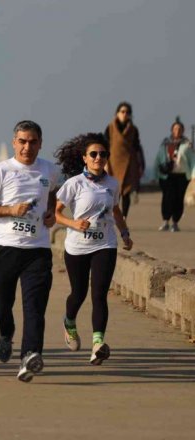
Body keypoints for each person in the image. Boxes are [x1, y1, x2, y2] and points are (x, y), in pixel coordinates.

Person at [0, 120, 58, 383]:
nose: (27, 147)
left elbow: (53, 194)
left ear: (40, 144)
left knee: (35, 307)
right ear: (14, 143)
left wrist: (51, 213)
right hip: (4, 249)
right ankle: (5, 332)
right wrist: (11, 210)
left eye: (32, 142)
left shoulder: (48, 170)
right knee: (2, 306)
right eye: (22, 141)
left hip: (38, 250)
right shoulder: (1, 171)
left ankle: (29, 356)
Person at [54, 133, 133, 365]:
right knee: (78, 293)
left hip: (105, 244)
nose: (99, 158)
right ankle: (69, 322)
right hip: (77, 247)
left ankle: (98, 344)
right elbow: (56, 214)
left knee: (99, 294)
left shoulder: (112, 184)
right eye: (94, 154)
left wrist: (125, 233)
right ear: (85, 158)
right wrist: (73, 224)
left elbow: (115, 210)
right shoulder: (74, 184)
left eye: (103, 154)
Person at [104, 102, 145, 218]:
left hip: (129, 164)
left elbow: (137, 147)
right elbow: (105, 146)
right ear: (117, 113)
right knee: (114, 192)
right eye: (122, 112)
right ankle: (112, 216)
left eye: (127, 112)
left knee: (126, 192)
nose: (124, 114)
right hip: (113, 164)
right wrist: (105, 164)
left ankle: (124, 217)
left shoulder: (133, 129)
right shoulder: (110, 128)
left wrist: (141, 165)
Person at [154, 117, 195, 232]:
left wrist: (193, 176)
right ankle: (165, 221)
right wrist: (155, 175)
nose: (177, 131)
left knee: (179, 199)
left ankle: (175, 222)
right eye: (175, 128)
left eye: (180, 129)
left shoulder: (187, 144)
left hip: (182, 176)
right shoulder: (165, 143)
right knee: (167, 198)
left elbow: (193, 161)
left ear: (182, 130)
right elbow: (158, 159)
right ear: (172, 130)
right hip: (167, 176)